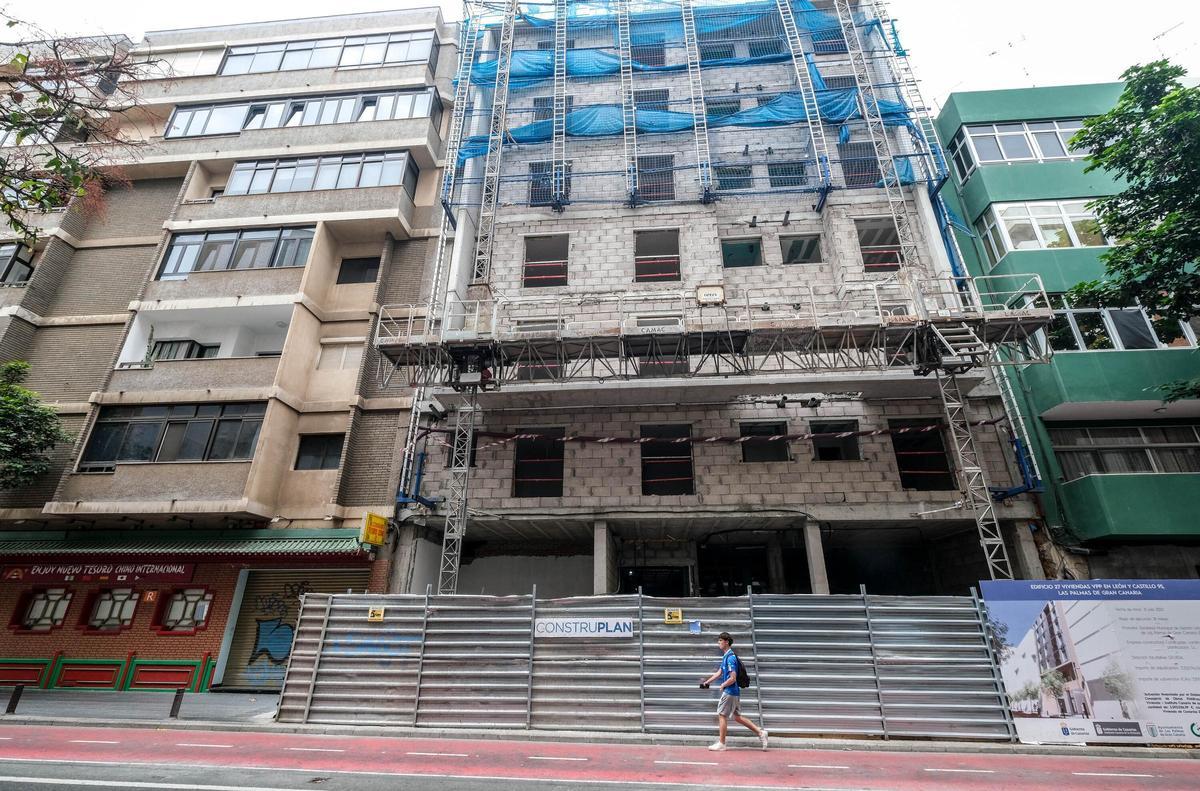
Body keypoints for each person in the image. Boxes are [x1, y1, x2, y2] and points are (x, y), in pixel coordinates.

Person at [699, 631, 768, 751]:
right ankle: (761, 733)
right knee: (737, 717)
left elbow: (733, 678)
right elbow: (719, 672)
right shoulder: (726, 656)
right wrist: (707, 682)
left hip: (730, 691)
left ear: (726, 642)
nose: (718, 643)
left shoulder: (730, 658)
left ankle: (722, 743)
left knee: (722, 715)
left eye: (720, 640)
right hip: (734, 692)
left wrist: (723, 685)